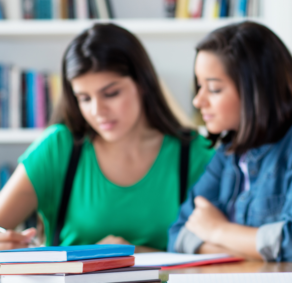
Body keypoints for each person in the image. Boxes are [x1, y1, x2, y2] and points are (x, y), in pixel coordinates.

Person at [0, 23, 215, 252]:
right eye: (84, 98)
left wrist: (131, 255)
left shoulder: (195, 153)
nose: (97, 111)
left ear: (143, 83)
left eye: (111, 94)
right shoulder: (58, 147)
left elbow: (222, 251)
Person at [168, 21, 292, 262]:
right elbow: (177, 236)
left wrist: (217, 230)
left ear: (256, 90)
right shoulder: (228, 152)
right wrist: (249, 247)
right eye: (199, 87)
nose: (198, 101)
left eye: (213, 89)